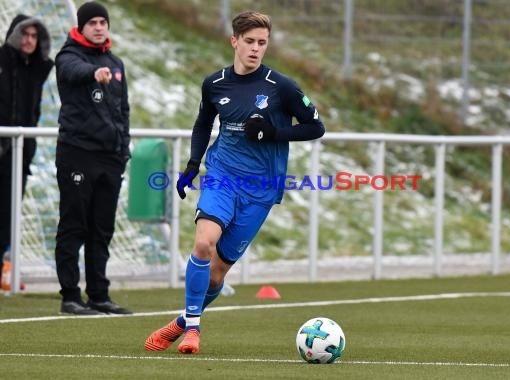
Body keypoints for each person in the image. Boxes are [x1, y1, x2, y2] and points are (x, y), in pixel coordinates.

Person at [144, 11, 325, 354]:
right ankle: (195, 331)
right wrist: (193, 165)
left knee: (215, 275)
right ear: (234, 42)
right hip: (222, 177)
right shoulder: (215, 84)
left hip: (260, 190)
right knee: (203, 244)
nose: (256, 49)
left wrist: (275, 133)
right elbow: (202, 124)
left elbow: (316, 127)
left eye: (262, 43)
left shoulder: (281, 86)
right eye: (250, 42)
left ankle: (182, 322)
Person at [54, 1, 131, 315]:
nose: (99, 27)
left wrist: (123, 148)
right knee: (74, 225)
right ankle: (70, 296)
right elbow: (74, 72)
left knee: (102, 228)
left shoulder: (115, 63)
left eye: (103, 22)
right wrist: (92, 73)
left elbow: (122, 111)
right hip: (78, 154)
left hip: (109, 158)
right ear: (82, 27)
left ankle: (99, 294)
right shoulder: (68, 56)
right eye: (93, 23)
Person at [0, 15, 54, 288]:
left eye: (34, 36)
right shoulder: (2, 61)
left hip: (20, 153)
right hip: (3, 145)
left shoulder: (36, 69)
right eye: (25, 34)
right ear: (14, 35)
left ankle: (5, 269)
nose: (29, 40)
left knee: (10, 213)